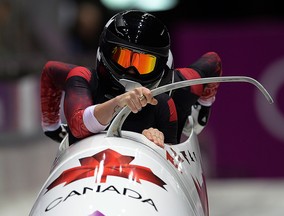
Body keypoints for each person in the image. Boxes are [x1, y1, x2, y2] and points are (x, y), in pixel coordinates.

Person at [40, 10, 222, 147]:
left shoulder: (177, 85)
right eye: (124, 58)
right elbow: (78, 124)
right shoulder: (83, 79)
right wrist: (51, 126)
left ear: (160, 65)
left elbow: (213, 62)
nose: (132, 70)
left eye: (144, 64)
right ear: (107, 52)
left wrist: (202, 111)